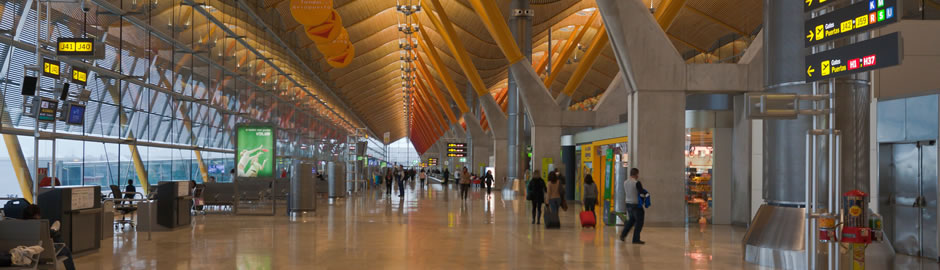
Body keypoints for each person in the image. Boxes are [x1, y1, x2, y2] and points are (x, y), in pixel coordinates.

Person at [22, 204, 76, 270]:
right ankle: (53, 230)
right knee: (65, 249)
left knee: (50, 236)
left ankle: (53, 231)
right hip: (44, 252)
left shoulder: (20, 225)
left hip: (28, 253)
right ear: (36, 215)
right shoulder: (41, 225)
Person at [620, 168, 648, 244]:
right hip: (635, 204)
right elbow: (641, 193)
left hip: (628, 204)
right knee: (639, 222)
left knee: (631, 220)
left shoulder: (625, 182)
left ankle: (623, 235)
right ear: (636, 174)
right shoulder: (637, 183)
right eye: (638, 174)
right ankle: (636, 239)